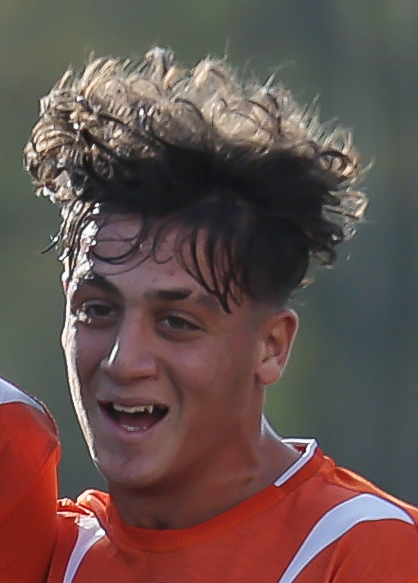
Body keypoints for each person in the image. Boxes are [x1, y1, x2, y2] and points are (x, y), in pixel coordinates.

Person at [3, 45, 418, 582]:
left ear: (272, 346)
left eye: (176, 322)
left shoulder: (366, 551)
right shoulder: (45, 552)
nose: (124, 360)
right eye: (97, 310)